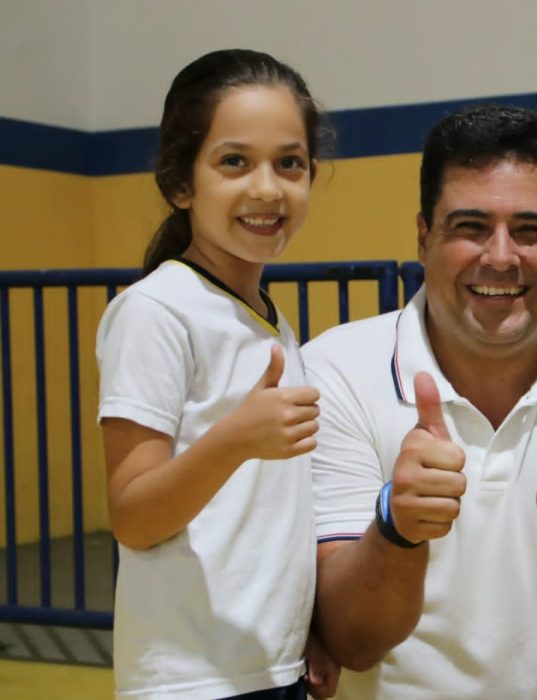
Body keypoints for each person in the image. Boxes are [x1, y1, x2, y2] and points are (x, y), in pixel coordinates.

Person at [303, 103, 537, 699]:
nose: (501, 257)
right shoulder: (336, 371)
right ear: (424, 237)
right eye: (470, 226)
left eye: (531, 230)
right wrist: (395, 529)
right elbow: (352, 640)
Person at [96, 49, 338, 699]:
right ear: (181, 182)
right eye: (234, 161)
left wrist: (299, 631)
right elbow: (136, 516)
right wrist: (234, 438)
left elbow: (260, 518)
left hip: (267, 666)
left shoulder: (268, 320)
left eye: (289, 163)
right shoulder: (156, 311)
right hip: (190, 680)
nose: (267, 187)